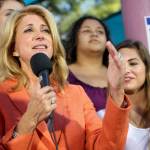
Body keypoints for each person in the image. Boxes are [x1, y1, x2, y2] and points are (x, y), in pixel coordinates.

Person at [0, 5, 131, 150]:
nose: (40, 35)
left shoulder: (76, 94)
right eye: (29, 30)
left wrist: (117, 91)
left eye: (46, 30)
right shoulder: (2, 95)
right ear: (13, 49)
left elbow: (107, 147)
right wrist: (29, 121)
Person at [98, 40, 150, 150]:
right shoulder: (101, 117)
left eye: (133, 63)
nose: (125, 70)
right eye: (119, 64)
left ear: (147, 69)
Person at [65, 16, 110, 111]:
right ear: (75, 39)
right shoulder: (62, 74)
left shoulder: (121, 72)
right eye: (86, 31)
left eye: (100, 32)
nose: (94, 34)